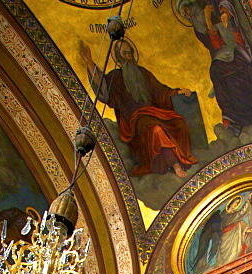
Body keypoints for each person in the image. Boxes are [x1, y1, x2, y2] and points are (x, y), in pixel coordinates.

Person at [79, 38, 197, 178]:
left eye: (130, 52)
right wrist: (89, 62)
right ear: (118, 57)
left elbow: (160, 91)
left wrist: (177, 92)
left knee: (179, 122)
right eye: (125, 53)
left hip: (156, 114)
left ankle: (185, 156)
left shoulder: (143, 73)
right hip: (136, 122)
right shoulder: (115, 78)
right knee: (156, 130)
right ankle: (175, 165)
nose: (129, 56)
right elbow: (102, 88)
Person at [178, 0, 252, 137]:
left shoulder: (209, 5)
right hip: (223, 55)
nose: (190, 14)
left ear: (194, 5)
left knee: (222, 70)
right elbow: (214, 45)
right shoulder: (199, 29)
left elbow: (225, 4)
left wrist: (224, 12)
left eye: (188, 9)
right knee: (216, 71)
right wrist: (208, 21)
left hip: (237, 48)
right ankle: (230, 115)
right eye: (186, 14)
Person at [190, 194, 252, 274]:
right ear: (230, 203)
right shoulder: (225, 215)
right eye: (235, 202)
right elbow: (240, 215)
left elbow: (239, 222)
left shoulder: (233, 215)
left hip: (234, 238)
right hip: (226, 237)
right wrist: (248, 201)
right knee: (226, 255)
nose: (236, 205)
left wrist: (246, 229)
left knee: (235, 253)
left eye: (238, 203)